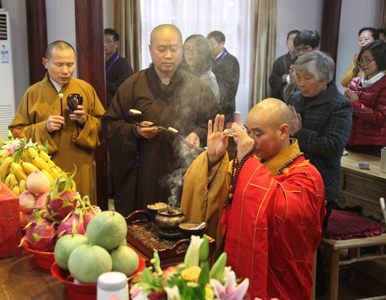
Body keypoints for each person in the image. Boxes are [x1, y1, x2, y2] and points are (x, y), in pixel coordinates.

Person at [181, 99, 326, 299]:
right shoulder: (252, 163)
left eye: (258, 134)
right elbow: (220, 199)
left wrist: (246, 161)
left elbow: (282, 220)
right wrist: (213, 160)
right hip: (236, 268)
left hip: (278, 279)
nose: (250, 139)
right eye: (247, 132)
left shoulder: (306, 176)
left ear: (283, 131)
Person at [102, 24, 221, 217]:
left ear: (181, 49)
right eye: (161, 49)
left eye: (174, 49)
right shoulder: (132, 85)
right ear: (150, 49)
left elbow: (214, 121)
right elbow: (109, 124)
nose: (168, 55)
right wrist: (136, 131)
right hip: (143, 173)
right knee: (143, 226)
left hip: (183, 169)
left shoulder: (196, 87)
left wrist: (198, 134)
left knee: (180, 222)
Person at [286, 51, 353, 297]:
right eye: (299, 77)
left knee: (310, 246)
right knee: (289, 241)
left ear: (324, 79)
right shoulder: (295, 96)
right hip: (290, 179)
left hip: (319, 186)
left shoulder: (340, 104)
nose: (301, 83)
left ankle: (316, 292)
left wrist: (299, 132)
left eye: (307, 78)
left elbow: (334, 146)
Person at [9, 40, 105, 204]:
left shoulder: (86, 89)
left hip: (80, 166)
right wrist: (43, 128)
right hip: (43, 171)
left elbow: (104, 125)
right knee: (49, 215)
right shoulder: (33, 93)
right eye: (59, 64)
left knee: (81, 214)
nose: (66, 71)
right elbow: (15, 133)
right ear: (45, 63)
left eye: (70, 64)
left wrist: (85, 121)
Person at [344, 42, 386, 157]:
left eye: (367, 60)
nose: (363, 64)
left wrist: (355, 104)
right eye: (361, 60)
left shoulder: (384, 84)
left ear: (380, 59)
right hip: (349, 140)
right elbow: (344, 111)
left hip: (373, 145)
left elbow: (380, 118)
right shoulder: (354, 82)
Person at [207, 31, 240, 123]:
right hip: (209, 105)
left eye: (212, 44)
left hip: (225, 107)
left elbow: (231, 85)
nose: (210, 47)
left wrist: (211, 76)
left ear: (222, 43)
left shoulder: (231, 61)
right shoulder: (207, 59)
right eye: (208, 44)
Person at [282, 30, 320, 101]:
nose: (301, 53)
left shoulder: (320, 67)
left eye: (305, 48)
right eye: (298, 49)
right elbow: (286, 97)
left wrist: (296, 83)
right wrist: (292, 84)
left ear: (315, 48)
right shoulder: (296, 66)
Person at [181, 34, 220, 101]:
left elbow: (210, 108)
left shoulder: (208, 79)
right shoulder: (182, 73)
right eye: (187, 49)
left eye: (195, 49)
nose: (190, 53)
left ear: (203, 53)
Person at [104, 28, 133, 107]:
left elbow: (124, 87)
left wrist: (105, 84)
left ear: (116, 44)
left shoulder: (123, 64)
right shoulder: (100, 62)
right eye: (103, 41)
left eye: (108, 41)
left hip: (117, 105)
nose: (105, 45)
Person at [268, 30, 300, 101]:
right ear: (287, 43)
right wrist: (282, 80)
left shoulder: (303, 61)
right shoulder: (279, 61)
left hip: (299, 98)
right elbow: (272, 81)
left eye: (297, 40)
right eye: (292, 40)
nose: (294, 43)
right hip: (281, 98)